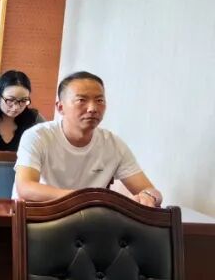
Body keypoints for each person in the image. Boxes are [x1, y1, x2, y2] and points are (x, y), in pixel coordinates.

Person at [14, 72, 162, 205]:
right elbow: (26, 188)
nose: (92, 108)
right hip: (40, 217)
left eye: (99, 100)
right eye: (81, 100)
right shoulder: (37, 136)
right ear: (60, 107)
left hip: (89, 221)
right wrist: (87, 199)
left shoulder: (113, 144)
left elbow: (150, 190)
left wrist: (149, 196)